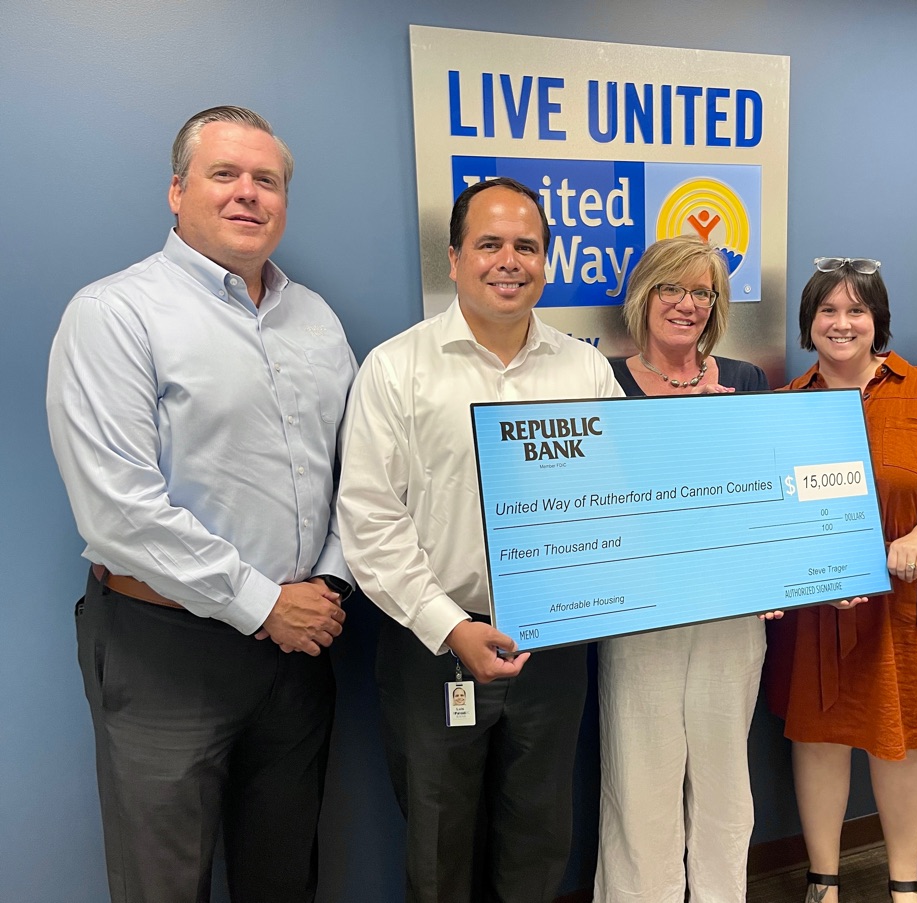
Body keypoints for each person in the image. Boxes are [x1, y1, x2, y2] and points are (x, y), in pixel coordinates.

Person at [45, 106, 356, 903]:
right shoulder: (114, 314)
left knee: (284, 876)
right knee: (163, 883)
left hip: (298, 650)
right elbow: (118, 508)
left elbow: (356, 472)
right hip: (165, 650)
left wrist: (324, 587)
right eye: (226, 174)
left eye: (268, 180)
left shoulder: (316, 320)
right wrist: (263, 604)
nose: (248, 194)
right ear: (177, 191)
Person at [336, 176, 623, 903]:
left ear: (548, 262)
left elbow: (625, 498)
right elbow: (370, 522)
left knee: (538, 837)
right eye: (489, 243)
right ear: (456, 258)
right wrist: (451, 626)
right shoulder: (396, 368)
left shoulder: (585, 370)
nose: (509, 260)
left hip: (553, 643)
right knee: (439, 845)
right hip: (433, 646)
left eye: (526, 246)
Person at [770, 257, 917, 903]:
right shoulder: (786, 405)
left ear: (878, 322)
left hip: (907, 603)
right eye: (827, 311)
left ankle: (904, 879)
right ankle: (824, 876)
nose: (842, 323)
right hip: (819, 609)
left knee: (901, 742)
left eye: (856, 310)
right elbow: (770, 511)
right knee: (818, 736)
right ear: (808, 323)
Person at [593, 235, 768, 903]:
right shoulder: (602, 379)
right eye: (673, 287)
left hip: (730, 613)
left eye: (702, 292)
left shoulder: (746, 380)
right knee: (641, 784)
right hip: (641, 611)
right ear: (645, 295)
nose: (686, 303)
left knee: (727, 782)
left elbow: (764, 494)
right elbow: (599, 496)